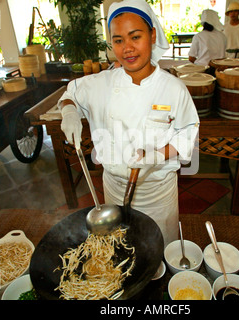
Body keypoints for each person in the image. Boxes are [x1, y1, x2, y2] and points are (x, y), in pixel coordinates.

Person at [58, 0, 200, 246]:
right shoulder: (100, 83)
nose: (128, 49)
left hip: (158, 194)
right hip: (113, 189)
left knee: (159, 251)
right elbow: (69, 94)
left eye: (135, 37)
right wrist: (69, 112)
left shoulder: (173, 89)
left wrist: (156, 155)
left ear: (152, 35)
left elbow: (188, 132)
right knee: (121, 252)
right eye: (118, 40)